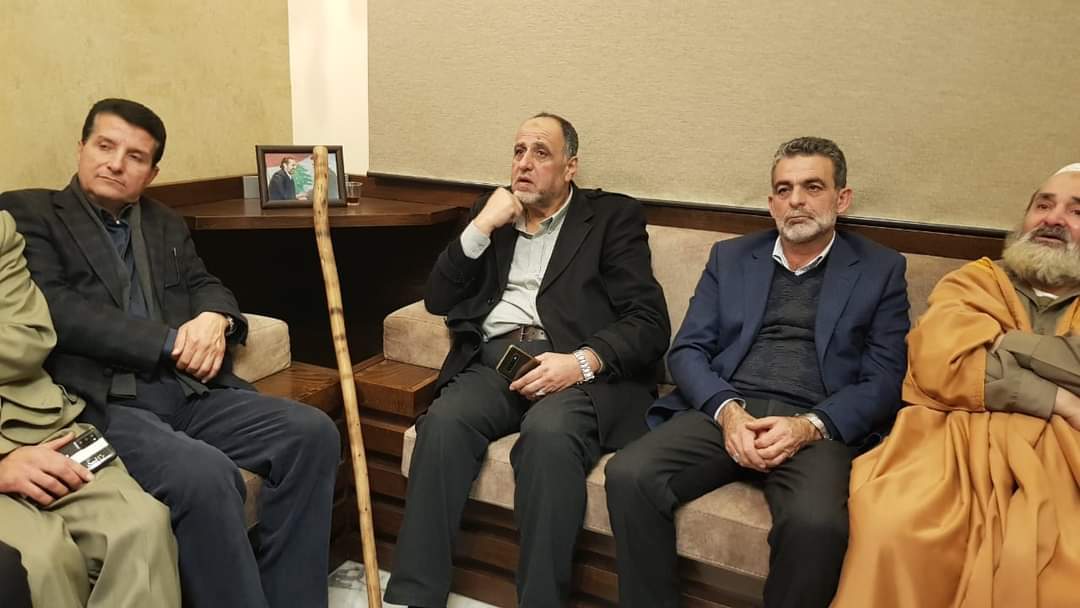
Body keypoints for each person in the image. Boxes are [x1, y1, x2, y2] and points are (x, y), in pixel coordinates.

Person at [0, 98, 340, 608]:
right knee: (203, 476)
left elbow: (205, 283)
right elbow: (59, 311)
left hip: (188, 391)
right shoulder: (30, 213)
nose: (116, 163)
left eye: (135, 157)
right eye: (105, 146)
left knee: (312, 433)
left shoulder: (164, 222)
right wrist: (170, 341)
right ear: (82, 147)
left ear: (152, 173)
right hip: (106, 405)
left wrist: (217, 318)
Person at [604, 137, 911, 608]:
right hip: (728, 407)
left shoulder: (881, 269)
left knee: (817, 524)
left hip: (817, 422)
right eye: (784, 190)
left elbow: (885, 379)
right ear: (771, 204)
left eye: (813, 187)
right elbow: (688, 350)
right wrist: (728, 413)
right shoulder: (730, 258)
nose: (797, 201)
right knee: (630, 474)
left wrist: (808, 426)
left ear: (842, 198)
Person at [384, 113, 670, 607]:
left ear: (570, 166)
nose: (524, 163)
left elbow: (648, 322)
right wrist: (481, 225)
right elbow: (438, 298)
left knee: (548, 436)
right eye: (519, 151)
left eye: (540, 153)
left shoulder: (612, 218)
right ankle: (416, 597)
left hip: (574, 370)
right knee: (444, 423)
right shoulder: (493, 214)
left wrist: (580, 362)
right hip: (498, 361)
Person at [833, 164, 1080, 608]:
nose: (1053, 219)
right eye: (1043, 205)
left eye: (1076, 211)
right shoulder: (975, 280)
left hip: (1063, 461)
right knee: (891, 523)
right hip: (953, 445)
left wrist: (1005, 342)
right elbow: (938, 363)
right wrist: (1058, 397)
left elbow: (971, 364)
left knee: (1054, 567)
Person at [0, 209, 179, 607]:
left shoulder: (1, 230)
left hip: (38, 422)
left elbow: (29, 338)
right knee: (43, 561)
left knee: (141, 525)